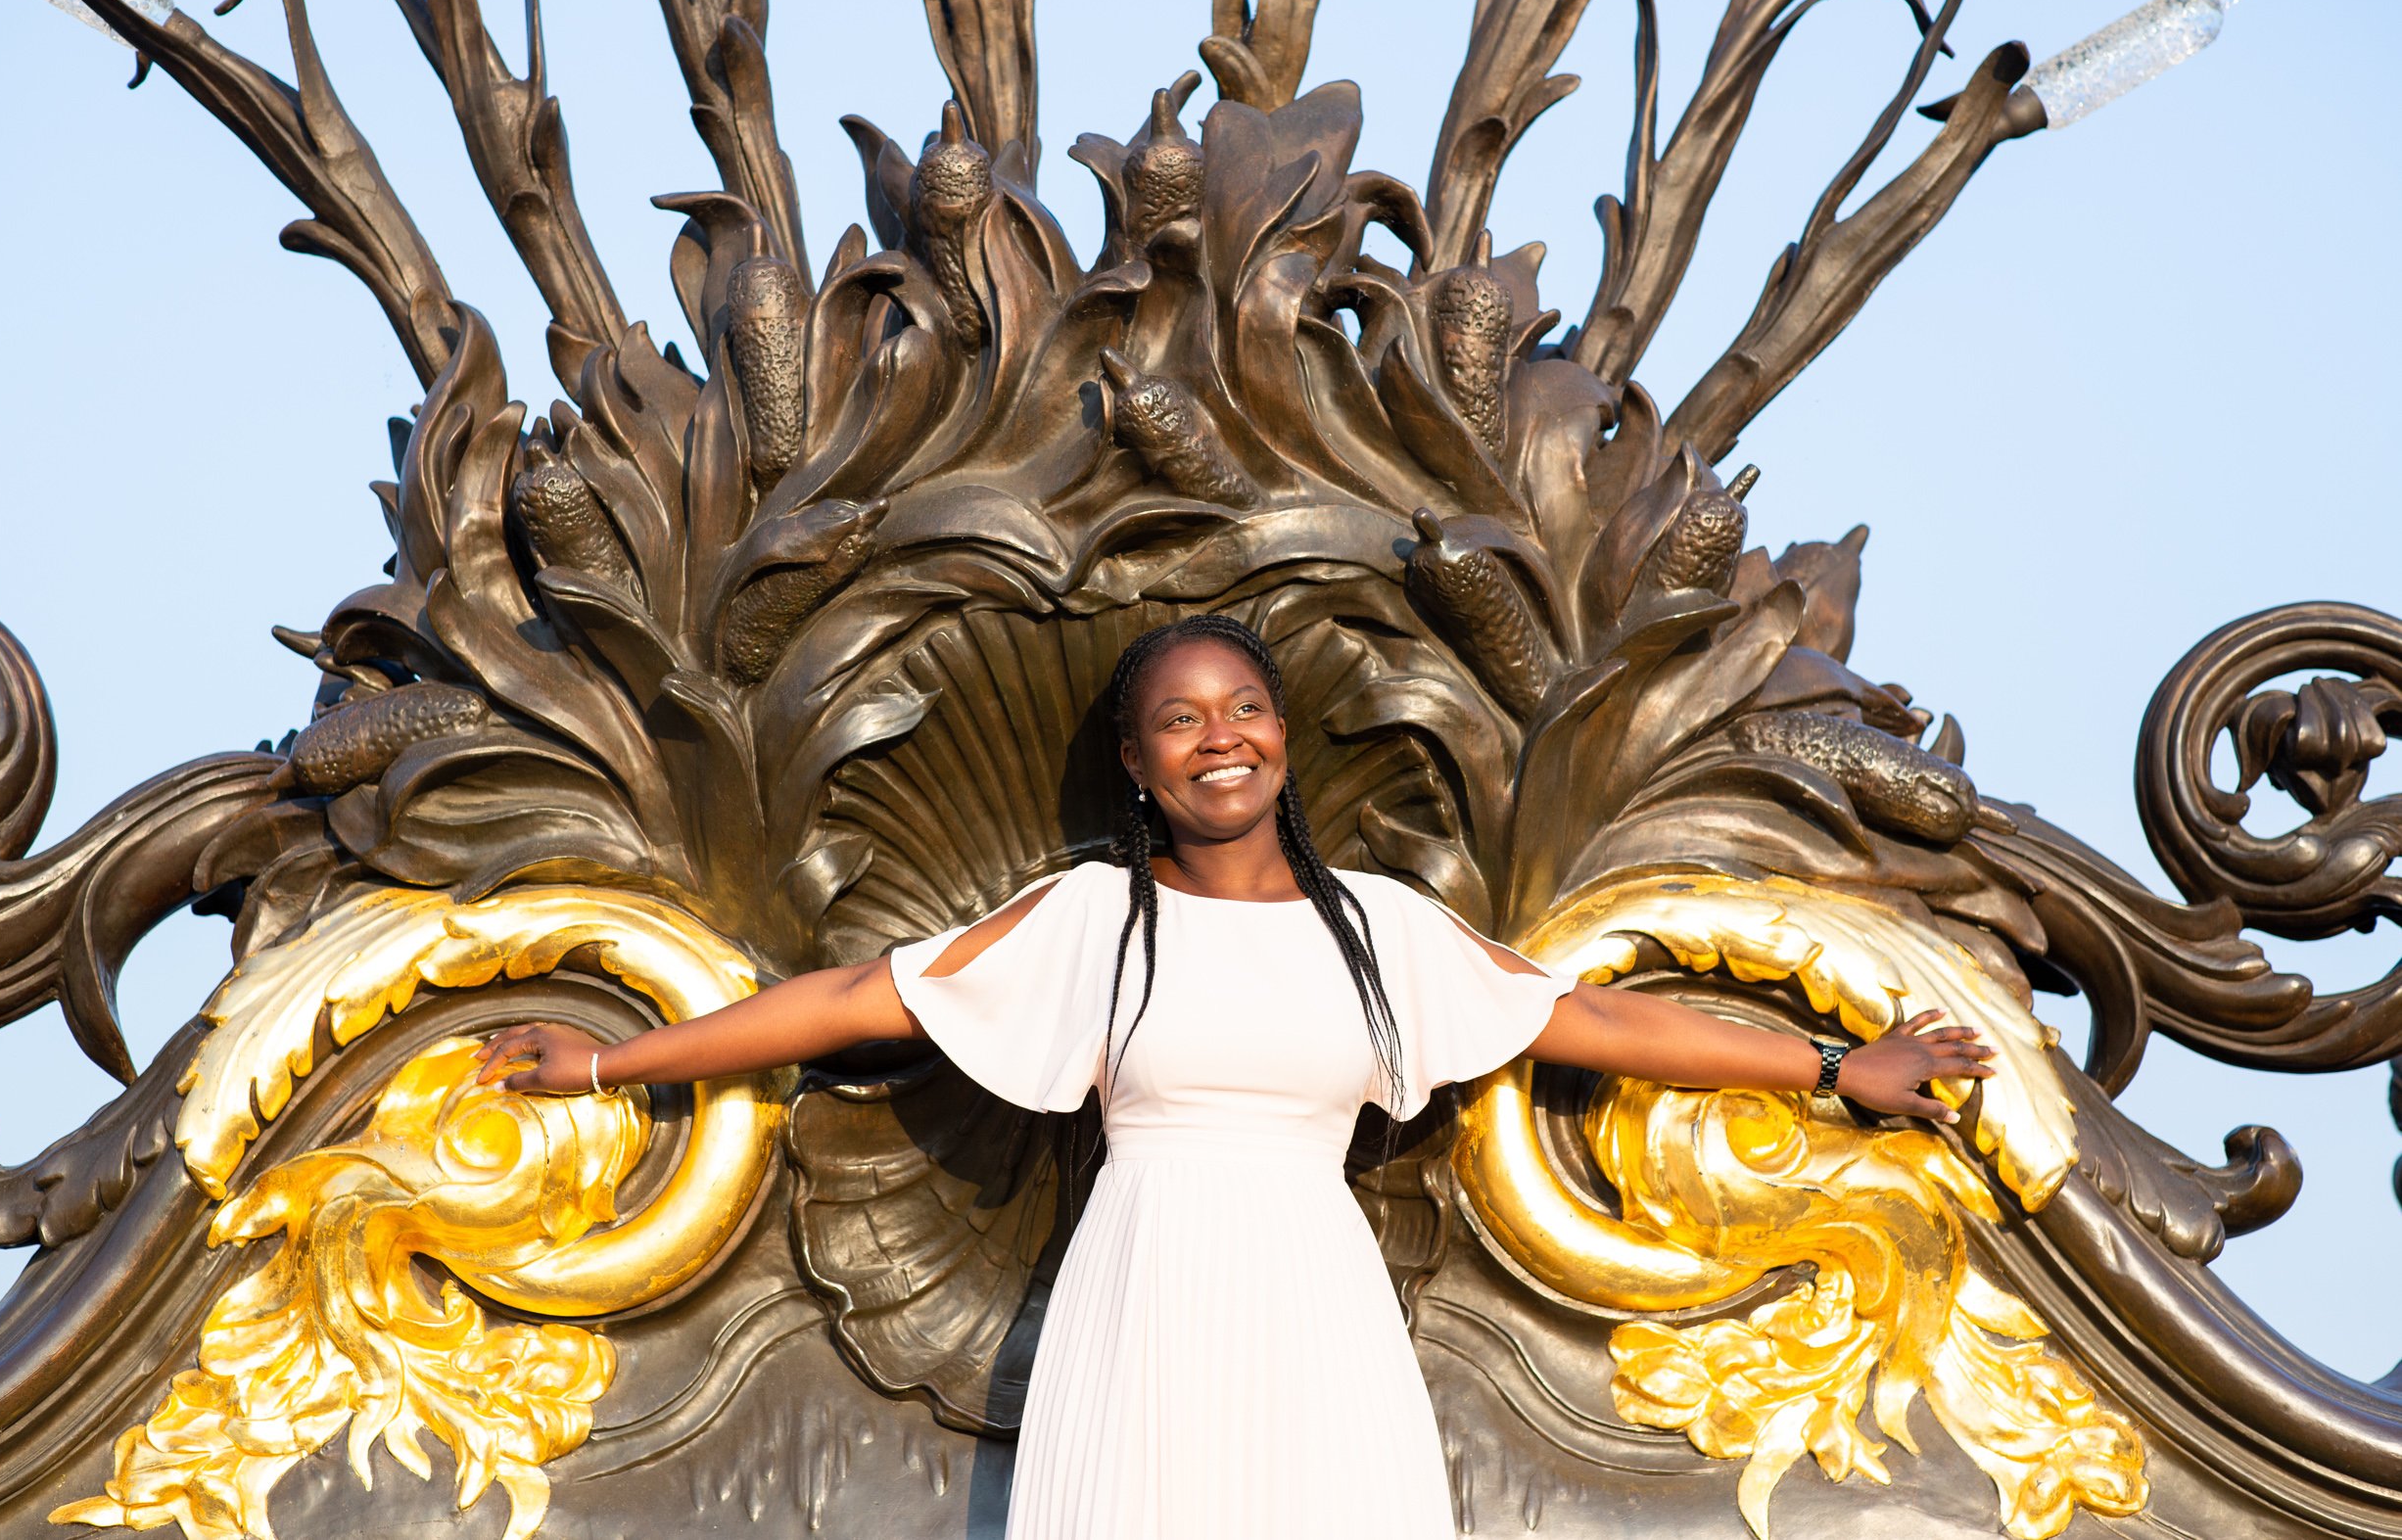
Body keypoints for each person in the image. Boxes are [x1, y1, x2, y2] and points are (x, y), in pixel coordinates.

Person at [475, 613, 1997, 1539]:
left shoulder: (1383, 932)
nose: (1223, 738)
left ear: (1284, 739)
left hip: (1318, 1304)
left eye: (1245, 709)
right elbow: (856, 998)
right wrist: (614, 1060)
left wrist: (1831, 1067)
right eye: (1181, 720)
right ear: (1139, 762)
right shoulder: (1093, 920)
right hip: (1146, 1294)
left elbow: (1590, 1023)